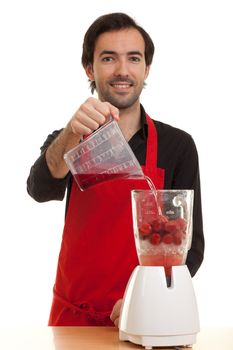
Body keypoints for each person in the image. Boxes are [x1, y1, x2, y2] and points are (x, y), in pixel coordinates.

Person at [27, 12, 204, 327]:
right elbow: (39, 189)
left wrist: (148, 299)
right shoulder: (69, 140)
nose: (123, 71)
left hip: (147, 319)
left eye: (133, 58)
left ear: (146, 68)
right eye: (108, 58)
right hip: (73, 320)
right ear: (89, 69)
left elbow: (190, 249)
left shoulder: (178, 146)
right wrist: (70, 133)